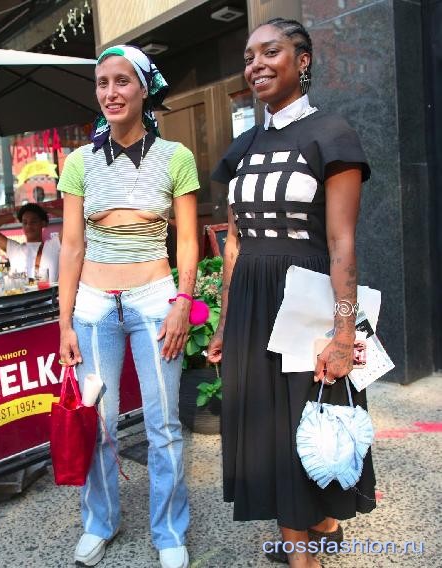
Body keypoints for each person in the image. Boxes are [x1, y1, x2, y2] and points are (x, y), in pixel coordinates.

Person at [207, 18, 376, 568]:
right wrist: (225, 322)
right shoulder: (241, 149)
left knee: (308, 417)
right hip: (253, 302)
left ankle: (314, 536)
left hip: (306, 298)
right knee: (268, 426)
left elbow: (341, 238)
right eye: (249, 55)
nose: (255, 64)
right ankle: (306, 543)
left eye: (270, 51)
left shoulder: (331, 134)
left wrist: (345, 331)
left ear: (302, 61)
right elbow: (233, 242)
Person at [57, 45, 199, 568]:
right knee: (99, 421)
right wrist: (64, 322)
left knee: (163, 425)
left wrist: (184, 300)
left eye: (121, 82)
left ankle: (168, 531)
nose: (110, 93)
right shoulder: (78, 160)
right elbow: (70, 247)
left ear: (143, 88)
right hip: (94, 307)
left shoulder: (176, 156)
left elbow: (187, 241)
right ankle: (100, 522)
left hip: (155, 301)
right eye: (102, 83)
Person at [0, 202, 63, 282]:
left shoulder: (54, 245)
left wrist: (45, 209)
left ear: (43, 223)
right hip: (21, 295)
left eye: (33, 222)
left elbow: (72, 218)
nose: (29, 226)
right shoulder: (14, 249)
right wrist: (15, 215)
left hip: (50, 295)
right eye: (25, 222)